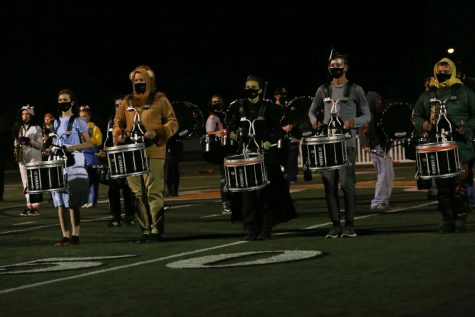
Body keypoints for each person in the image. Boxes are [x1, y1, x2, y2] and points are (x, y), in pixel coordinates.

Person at [226, 74, 297, 240]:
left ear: (260, 89)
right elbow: (231, 125)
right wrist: (233, 133)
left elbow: (279, 129)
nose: (250, 90)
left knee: (265, 194)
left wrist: (269, 141)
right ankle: (251, 228)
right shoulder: (239, 107)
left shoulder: (269, 107)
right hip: (246, 156)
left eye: (253, 87)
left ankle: (265, 229)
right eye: (248, 87)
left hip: (265, 156)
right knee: (247, 194)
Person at [113, 65, 178, 243]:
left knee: (153, 193)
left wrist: (157, 132)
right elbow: (117, 123)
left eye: (142, 80)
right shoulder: (127, 102)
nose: (138, 83)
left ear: (150, 81)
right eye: (135, 81)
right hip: (131, 153)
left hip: (153, 151)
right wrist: (119, 134)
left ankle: (156, 230)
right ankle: (145, 230)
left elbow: (173, 123)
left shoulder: (160, 99)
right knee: (136, 194)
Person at [308, 52, 371, 238]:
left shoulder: (355, 89)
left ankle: (350, 225)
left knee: (347, 184)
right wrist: (314, 121)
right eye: (332, 64)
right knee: (329, 186)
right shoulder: (323, 90)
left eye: (339, 64)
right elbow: (312, 111)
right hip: (328, 143)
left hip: (347, 143)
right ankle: (335, 225)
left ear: (346, 67)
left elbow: (367, 115)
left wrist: (354, 122)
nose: (336, 67)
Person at [413, 57, 475, 233]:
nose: (442, 74)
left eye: (446, 71)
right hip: (437, 147)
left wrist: (466, 127)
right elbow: (416, 114)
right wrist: (422, 124)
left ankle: (460, 217)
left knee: (459, 183)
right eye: (439, 71)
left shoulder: (465, 93)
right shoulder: (428, 95)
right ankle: (447, 219)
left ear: (453, 71)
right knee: (442, 187)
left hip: (460, 147)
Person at [50, 89, 94, 246]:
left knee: (72, 201)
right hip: (57, 161)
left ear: (72, 102)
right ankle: (65, 236)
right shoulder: (55, 122)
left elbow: (90, 143)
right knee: (59, 201)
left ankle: (75, 236)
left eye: (65, 99)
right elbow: (54, 142)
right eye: (60, 99)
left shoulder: (78, 121)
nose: (62, 102)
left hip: (72, 162)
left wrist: (73, 147)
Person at [99, 95, 136, 227]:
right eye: (116, 105)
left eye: (121, 105)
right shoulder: (111, 121)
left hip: (127, 158)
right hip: (114, 159)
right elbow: (107, 140)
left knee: (127, 189)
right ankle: (116, 218)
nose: (118, 107)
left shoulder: (131, 119)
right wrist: (104, 150)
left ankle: (130, 216)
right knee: (113, 190)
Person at [358, 91, 394, 210]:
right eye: (378, 101)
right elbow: (363, 130)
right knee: (383, 173)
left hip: (379, 146)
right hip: (375, 146)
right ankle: (377, 202)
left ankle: (384, 199)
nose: (380, 103)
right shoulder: (368, 114)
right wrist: (365, 144)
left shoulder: (374, 113)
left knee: (388, 173)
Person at [12, 105, 43, 216]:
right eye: (23, 114)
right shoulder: (19, 127)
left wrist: (29, 141)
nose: (24, 116)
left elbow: (40, 145)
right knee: (25, 183)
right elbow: (16, 142)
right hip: (23, 158)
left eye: (27, 114)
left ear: (31, 115)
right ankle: (29, 205)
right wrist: (16, 147)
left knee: (35, 181)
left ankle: (36, 206)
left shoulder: (37, 128)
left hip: (34, 158)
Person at [205, 94, 232, 214]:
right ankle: (226, 204)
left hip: (231, 147)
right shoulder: (212, 118)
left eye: (219, 101)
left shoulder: (227, 115)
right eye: (214, 101)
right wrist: (223, 131)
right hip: (222, 150)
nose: (217, 103)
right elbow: (209, 133)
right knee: (225, 178)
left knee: (233, 176)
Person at [274, 86, 300, 184]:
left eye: (285, 94)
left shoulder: (288, 107)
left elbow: (295, 119)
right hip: (279, 140)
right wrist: (282, 128)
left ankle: (292, 176)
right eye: (282, 95)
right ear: (276, 96)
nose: (284, 96)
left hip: (290, 138)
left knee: (293, 156)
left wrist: (292, 125)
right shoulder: (273, 108)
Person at [79, 105, 103, 208]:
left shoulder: (94, 128)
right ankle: (86, 200)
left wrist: (88, 139)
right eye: (81, 117)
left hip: (92, 156)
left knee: (92, 180)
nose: (82, 118)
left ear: (89, 117)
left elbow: (99, 142)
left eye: (85, 116)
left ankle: (93, 201)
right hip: (82, 156)